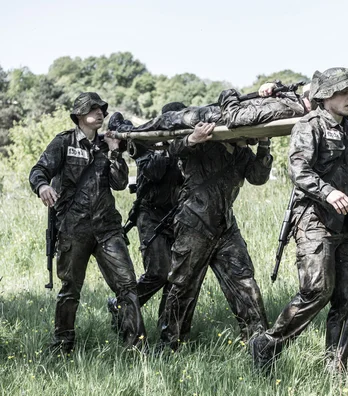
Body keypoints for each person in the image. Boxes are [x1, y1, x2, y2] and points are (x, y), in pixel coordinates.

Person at [249, 67, 348, 373]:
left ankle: (338, 369)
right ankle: (268, 343)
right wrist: (328, 192)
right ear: (325, 97)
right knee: (317, 290)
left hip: (346, 223)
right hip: (314, 219)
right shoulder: (310, 126)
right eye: (343, 92)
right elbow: (299, 170)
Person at [29, 92, 146, 352]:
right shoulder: (64, 142)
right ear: (80, 115)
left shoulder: (108, 145)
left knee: (127, 286)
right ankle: (63, 345)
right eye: (94, 110)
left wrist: (116, 154)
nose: (100, 113)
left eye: (102, 109)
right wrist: (42, 186)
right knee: (70, 290)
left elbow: (119, 183)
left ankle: (136, 347)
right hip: (74, 229)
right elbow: (39, 170)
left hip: (107, 230)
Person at [158, 114, 273, 351]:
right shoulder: (204, 144)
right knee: (183, 285)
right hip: (195, 225)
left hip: (226, 227)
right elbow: (175, 151)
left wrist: (264, 144)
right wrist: (193, 138)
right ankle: (170, 344)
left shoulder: (241, 153)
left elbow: (259, 178)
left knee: (244, 283)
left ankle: (259, 344)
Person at [107, 102, 186, 328]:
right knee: (158, 273)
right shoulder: (149, 145)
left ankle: (167, 326)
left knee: (175, 278)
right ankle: (121, 306)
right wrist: (170, 147)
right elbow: (153, 170)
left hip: (176, 216)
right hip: (150, 215)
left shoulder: (186, 146)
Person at [109, 82, 310, 133]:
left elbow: (235, 117)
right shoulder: (292, 102)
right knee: (170, 114)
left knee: (166, 119)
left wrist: (228, 93)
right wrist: (273, 86)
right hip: (213, 114)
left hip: (214, 117)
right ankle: (128, 128)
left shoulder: (288, 108)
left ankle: (124, 129)